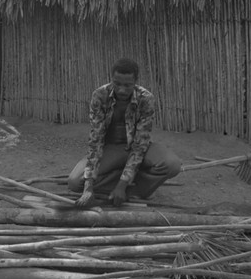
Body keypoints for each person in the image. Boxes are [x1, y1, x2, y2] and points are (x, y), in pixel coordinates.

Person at [68, 58, 181, 207]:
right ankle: (132, 184)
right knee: (75, 183)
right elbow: (96, 141)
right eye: (117, 84)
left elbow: (141, 144)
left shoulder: (146, 99)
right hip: (112, 148)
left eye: (128, 85)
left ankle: (127, 188)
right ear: (111, 79)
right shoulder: (100, 96)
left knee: (172, 164)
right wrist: (88, 188)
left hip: (139, 147)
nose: (122, 90)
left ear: (136, 81)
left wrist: (121, 185)